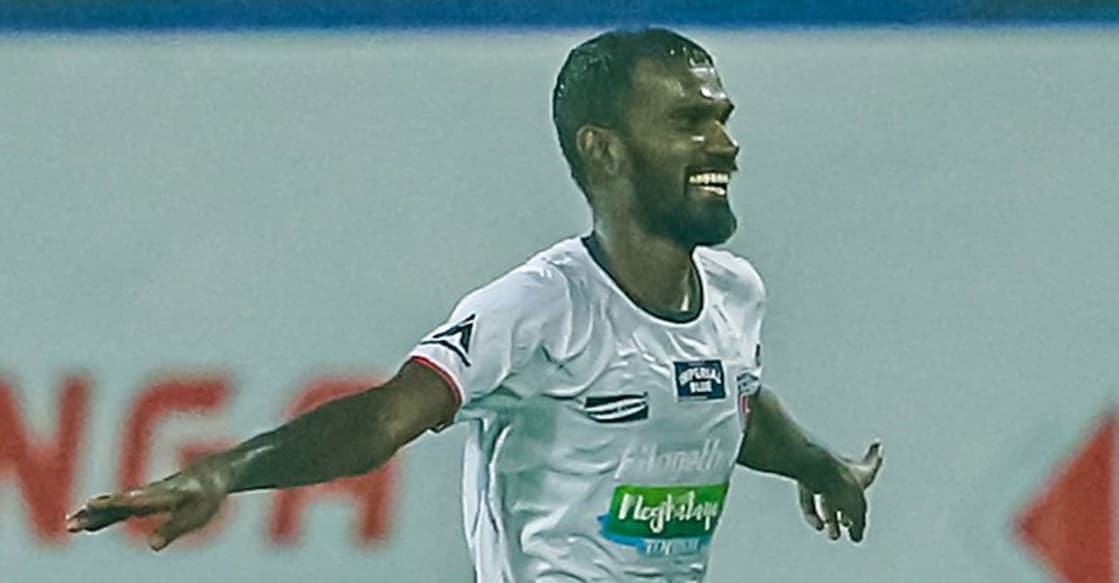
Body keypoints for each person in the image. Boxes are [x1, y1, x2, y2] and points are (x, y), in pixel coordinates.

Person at [66, 27, 883, 582]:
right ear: (603, 150)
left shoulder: (736, 293)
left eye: (721, 118)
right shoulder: (539, 307)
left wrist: (818, 464)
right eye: (688, 121)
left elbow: (729, 399)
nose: (724, 142)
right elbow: (383, 417)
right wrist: (223, 470)